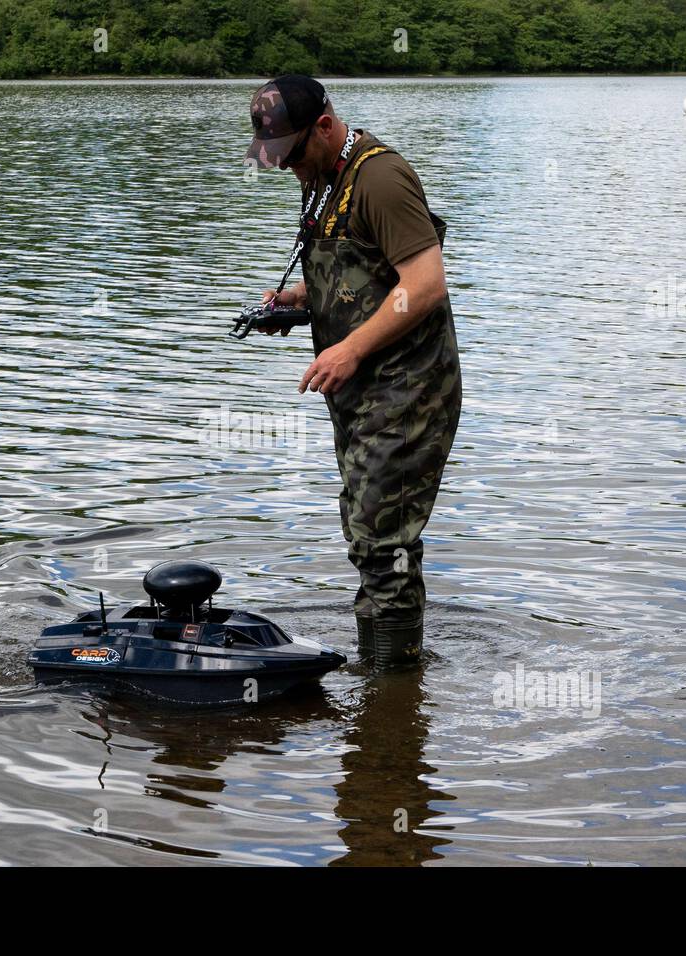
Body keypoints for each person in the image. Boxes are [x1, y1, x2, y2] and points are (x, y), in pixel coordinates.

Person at [245, 74, 462, 669]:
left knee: (383, 541)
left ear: (324, 126)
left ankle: (391, 697)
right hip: (366, 396)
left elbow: (424, 286)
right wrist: (299, 302)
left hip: (408, 391)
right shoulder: (326, 178)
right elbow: (368, 282)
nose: (289, 169)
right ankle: (383, 680)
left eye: (292, 155)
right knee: (369, 537)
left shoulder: (381, 178)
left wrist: (349, 350)